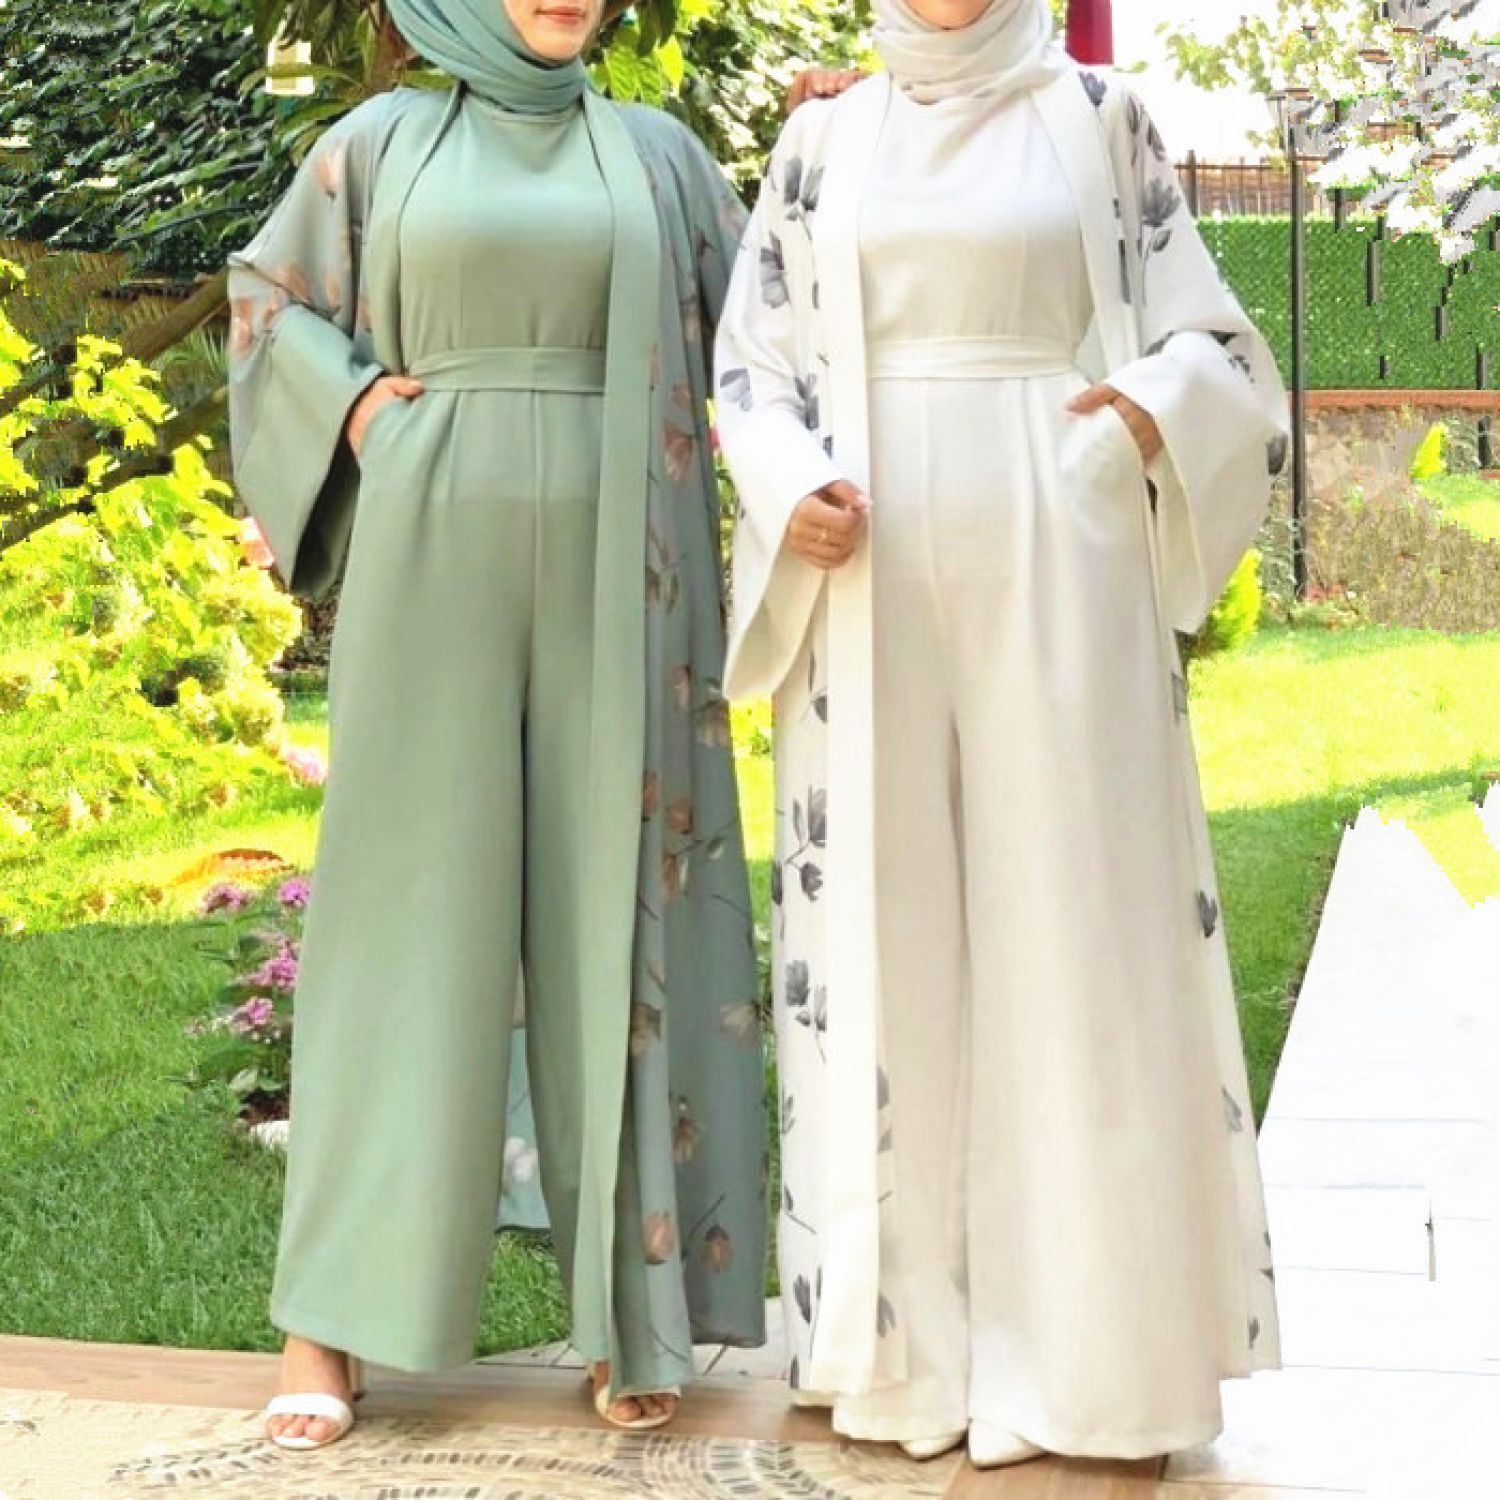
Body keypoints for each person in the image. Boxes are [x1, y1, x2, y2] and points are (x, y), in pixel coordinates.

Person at [715, 0, 1290, 1471]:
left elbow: (1216, 342)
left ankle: (1098, 1370)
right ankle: (902, 1362)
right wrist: (787, 487)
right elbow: (751, 368)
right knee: (888, 932)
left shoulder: (1099, 116)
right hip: (865, 565)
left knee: (1076, 926)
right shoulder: (822, 139)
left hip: (1063, 548)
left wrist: (1142, 414)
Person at [229, 0, 769, 1450]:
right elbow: (267, 300)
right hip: (431, 550)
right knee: (404, 914)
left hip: (628, 567)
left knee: (620, 909)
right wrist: (355, 412)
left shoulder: (658, 154)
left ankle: (628, 1313)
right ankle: (329, 1324)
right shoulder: (380, 143)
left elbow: (778, 318)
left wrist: (850, 132)